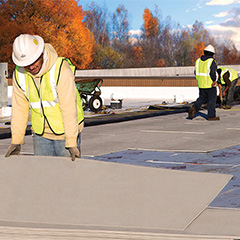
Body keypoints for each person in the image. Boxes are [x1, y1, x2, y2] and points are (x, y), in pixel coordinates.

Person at [5, 34, 84, 161]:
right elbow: (19, 109)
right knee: (44, 177)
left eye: (33, 61)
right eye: (26, 64)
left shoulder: (60, 69)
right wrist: (16, 140)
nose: (30, 67)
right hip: (41, 135)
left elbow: (68, 107)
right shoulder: (20, 74)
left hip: (65, 133)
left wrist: (71, 141)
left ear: (41, 54)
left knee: (68, 177)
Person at [188, 44, 220, 121]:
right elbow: (213, 72)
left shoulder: (198, 61)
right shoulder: (211, 61)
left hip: (201, 84)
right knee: (211, 100)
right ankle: (211, 116)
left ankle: (194, 108)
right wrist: (214, 80)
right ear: (212, 54)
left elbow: (195, 72)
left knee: (201, 98)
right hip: (210, 84)